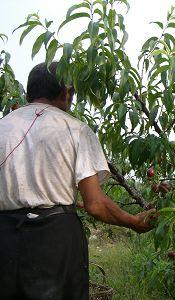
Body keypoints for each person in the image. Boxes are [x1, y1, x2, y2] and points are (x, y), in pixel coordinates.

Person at [0, 62, 155, 300]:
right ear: (66, 93)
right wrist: (134, 221)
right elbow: (95, 204)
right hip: (54, 240)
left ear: (29, 93)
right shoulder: (76, 130)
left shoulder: (3, 126)